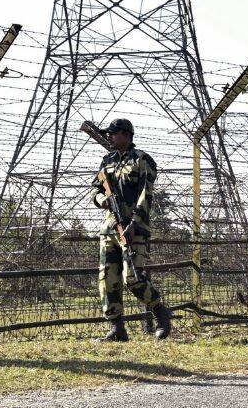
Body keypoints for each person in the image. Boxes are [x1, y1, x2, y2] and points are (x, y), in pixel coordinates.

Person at [91, 118, 174, 341]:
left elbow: (146, 195)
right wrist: (101, 199)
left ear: (126, 135)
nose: (109, 137)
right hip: (109, 229)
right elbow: (95, 189)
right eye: (108, 134)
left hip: (134, 228)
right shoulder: (107, 161)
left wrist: (134, 223)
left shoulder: (142, 160)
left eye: (113, 133)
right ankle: (117, 329)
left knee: (133, 278)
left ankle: (160, 311)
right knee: (107, 280)